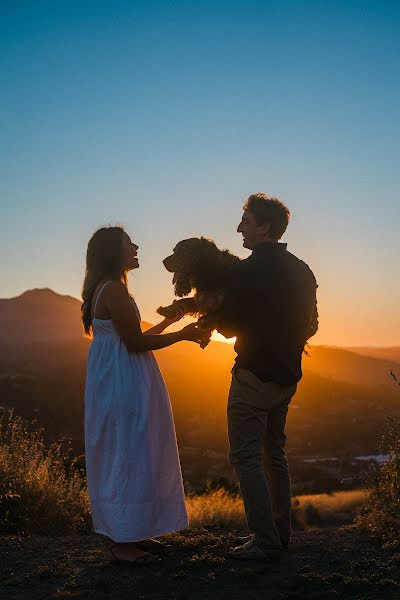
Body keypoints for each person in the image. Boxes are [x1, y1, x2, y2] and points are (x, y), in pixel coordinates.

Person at [82, 226, 210, 565]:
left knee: (131, 452)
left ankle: (132, 532)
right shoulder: (114, 291)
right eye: (129, 244)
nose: (137, 247)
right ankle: (122, 544)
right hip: (125, 380)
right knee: (128, 453)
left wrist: (169, 322)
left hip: (118, 377)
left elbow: (132, 336)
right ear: (115, 252)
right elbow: (136, 343)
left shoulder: (107, 288)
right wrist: (183, 335)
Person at [212, 193, 318, 560]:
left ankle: (265, 540)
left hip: (253, 376)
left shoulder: (244, 271)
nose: (239, 228)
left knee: (245, 457)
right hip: (288, 377)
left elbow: (226, 327)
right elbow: (312, 326)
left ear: (264, 227)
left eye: (245, 221)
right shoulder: (303, 270)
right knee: (274, 453)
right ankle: (281, 533)